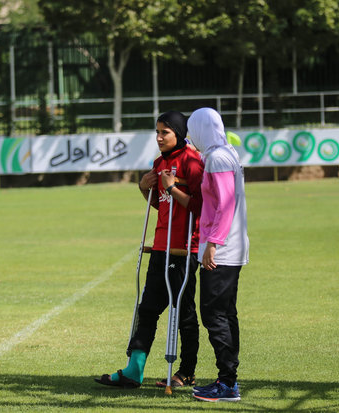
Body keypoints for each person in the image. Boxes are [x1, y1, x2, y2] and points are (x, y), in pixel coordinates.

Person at [95, 110, 204, 389]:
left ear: (178, 133)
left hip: (184, 249)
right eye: (156, 132)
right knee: (148, 309)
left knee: (183, 311)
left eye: (164, 132)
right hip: (160, 246)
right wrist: (144, 188)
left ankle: (187, 371)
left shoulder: (192, 161)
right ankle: (134, 371)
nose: (158, 137)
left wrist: (172, 186)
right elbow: (162, 203)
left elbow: (199, 206)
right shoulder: (159, 162)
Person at [186, 107, 249, 402]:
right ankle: (228, 380)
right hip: (227, 248)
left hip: (221, 250)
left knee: (214, 314)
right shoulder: (225, 153)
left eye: (191, 129)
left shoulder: (218, 158)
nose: (189, 135)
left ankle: (227, 384)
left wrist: (212, 243)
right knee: (225, 313)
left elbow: (224, 205)